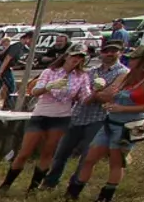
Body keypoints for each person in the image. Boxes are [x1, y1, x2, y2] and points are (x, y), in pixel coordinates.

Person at [68, 45, 144, 202]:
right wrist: (103, 95)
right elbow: (111, 93)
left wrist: (123, 107)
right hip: (110, 122)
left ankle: (106, 196)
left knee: (116, 161)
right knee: (90, 158)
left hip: (131, 125)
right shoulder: (126, 76)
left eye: (133, 59)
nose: (129, 61)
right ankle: (73, 192)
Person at [0, 47, 92, 193]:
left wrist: (96, 92)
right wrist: (48, 87)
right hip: (41, 114)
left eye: (80, 58)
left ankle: (33, 188)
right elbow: (35, 91)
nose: (77, 60)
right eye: (74, 56)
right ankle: (6, 184)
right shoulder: (50, 72)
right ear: (66, 56)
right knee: (25, 152)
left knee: (47, 152)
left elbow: (84, 98)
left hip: (61, 117)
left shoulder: (81, 76)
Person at [43, 39, 128, 190]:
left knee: (87, 156)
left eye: (113, 51)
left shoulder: (123, 72)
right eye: (106, 51)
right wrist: (94, 93)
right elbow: (77, 93)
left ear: (120, 53)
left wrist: (92, 93)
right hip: (77, 115)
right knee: (61, 153)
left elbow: (110, 96)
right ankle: (50, 183)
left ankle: (74, 186)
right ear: (100, 53)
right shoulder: (91, 71)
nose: (109, 54)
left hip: (99, 118)